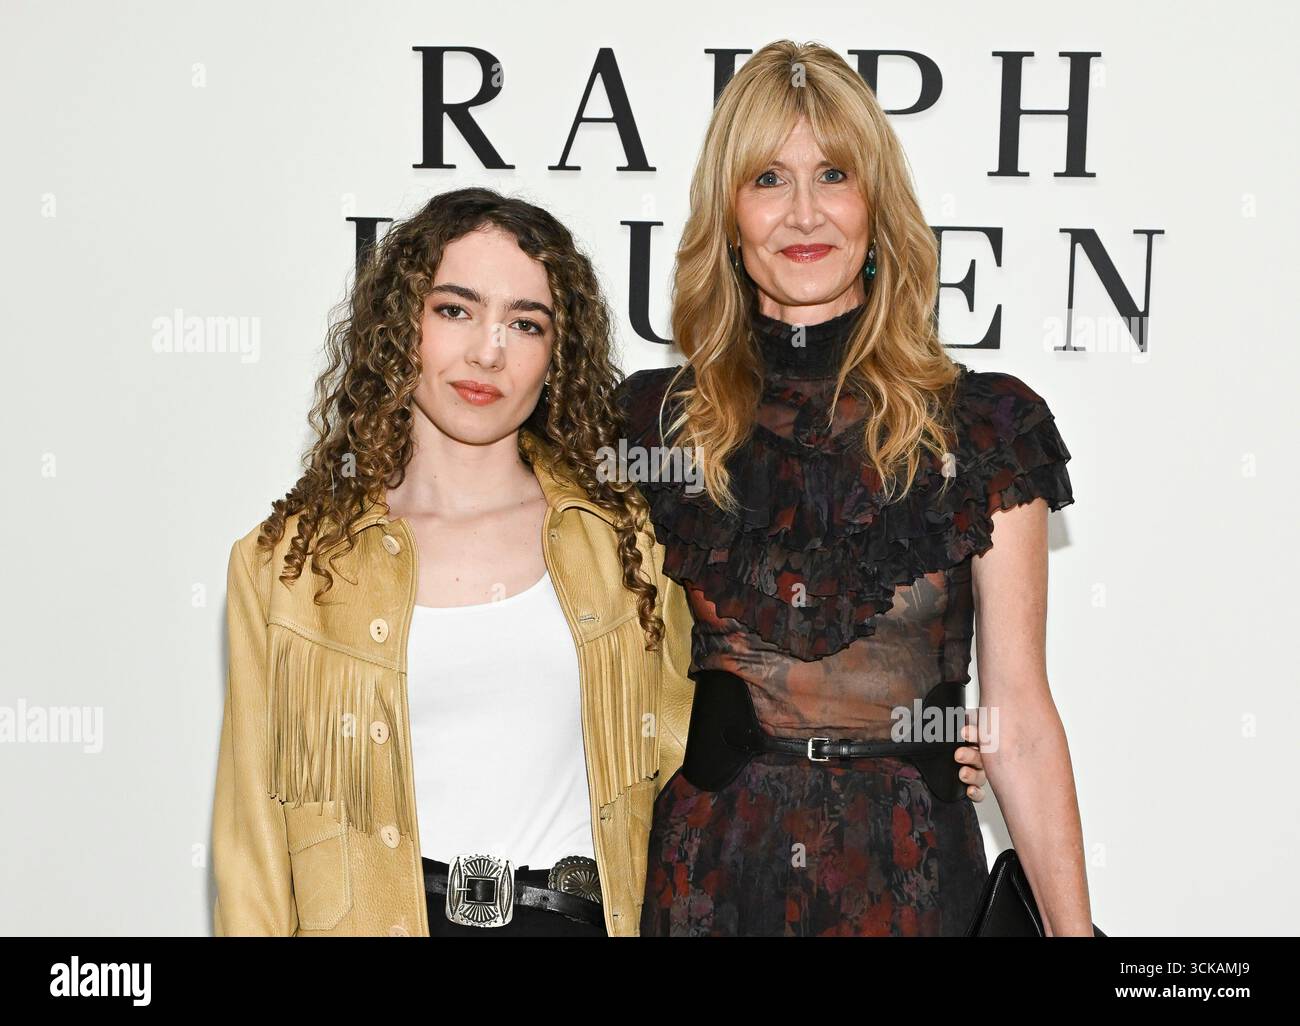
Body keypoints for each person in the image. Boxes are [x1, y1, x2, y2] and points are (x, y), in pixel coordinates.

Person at [619, 40, 1092, 936]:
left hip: (913, 873)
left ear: (876, 206)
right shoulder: (649, 426)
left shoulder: (986, 430)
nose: (804, 213)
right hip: (709, 878)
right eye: (767, 179)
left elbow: (1019, 719)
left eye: (833, 174)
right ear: (728, 217)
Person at [211, 187, 702, 936]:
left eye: (525, 323)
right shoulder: (288, 566)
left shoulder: (623, 540)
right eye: (455, 310)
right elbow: (252, 840)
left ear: (556, 355)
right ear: (398, 326)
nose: (488, 351)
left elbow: (688, 761)